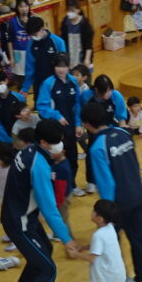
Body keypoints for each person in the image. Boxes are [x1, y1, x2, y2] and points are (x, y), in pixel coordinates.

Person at [0, 120, 80, 282]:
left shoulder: (27, 150)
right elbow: (50, 208)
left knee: (45, 250)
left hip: (23, 216)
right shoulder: (40, 166)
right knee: (48, 268)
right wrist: (67, 238)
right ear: (43, 142)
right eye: (56, 142)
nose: (60, 145)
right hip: (20, 223)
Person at [83, 102, 142, 282]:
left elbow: (106, 182)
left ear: (87, 124)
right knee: (138, 240)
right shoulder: (124, 133)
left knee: (112, 243)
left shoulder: (97, 147)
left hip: (117, 205)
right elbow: (134, 164)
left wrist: (106, 212)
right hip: (136, 195)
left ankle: (121, 280)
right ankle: (141, 280)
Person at [67, 200, 127, 282]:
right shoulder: (109, 227)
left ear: (99, 219)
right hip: (113, 272)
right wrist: (83, 247)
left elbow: (92, 258)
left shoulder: (99, 235)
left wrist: (76, 255)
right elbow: (98, 247)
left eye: (94, 211)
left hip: (110, 275)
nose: (92, 212)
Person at [36, 53, 81, 194]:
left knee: (72, 158)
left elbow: (77, 104)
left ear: (68, 67)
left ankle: (72, 185)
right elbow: (41, 107)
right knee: (56, 161)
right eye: (58, 66)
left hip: (71, 128)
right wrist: (57, 116)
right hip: (55, 130)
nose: (61, 69)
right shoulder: (48, 83)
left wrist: (78, 124)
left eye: (64, 66)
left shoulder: (73, 81)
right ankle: (56, 188)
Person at [79, 74, 129, 195]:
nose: (109, 94)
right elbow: (81, 111)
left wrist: (123, 134)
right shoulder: (86, 96)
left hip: (110, 127)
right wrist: (81, 125)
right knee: (92, 153)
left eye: (110, 90)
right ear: (96, 90)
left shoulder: (116, 96)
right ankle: (91, 181)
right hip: (94, 129)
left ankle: (115, 177)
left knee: (113, 153)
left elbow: (121, 117)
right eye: (106, 91)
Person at [22, 15, 67, 100]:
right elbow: (29, 68)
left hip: (56, 83)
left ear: (42, 29)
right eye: (31, 35)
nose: (33, 36)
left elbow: (64, 65)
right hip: (39, 84)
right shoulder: (30, 44)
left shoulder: (58, 42)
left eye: (35, 34)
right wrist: (25, 88)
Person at [0, 70, 26, 145]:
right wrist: (7, 140)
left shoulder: (18, 97)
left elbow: (25, 117)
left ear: (6, 80)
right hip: (4, 139)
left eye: (0, 83)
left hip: (21, 136)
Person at [0, 142, 18, 251]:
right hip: (3, 199)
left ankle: (17, 240)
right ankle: (11, 235)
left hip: (12, 201)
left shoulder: (12, 170)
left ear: (5, 157)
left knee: (13, 221)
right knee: (6, 220)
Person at [5, 0, 33, 85]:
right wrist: (11, 57)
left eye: (26, 6)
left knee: (32, 75)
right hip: (18, 54)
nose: (24, 9)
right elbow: (9, 41)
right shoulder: (12, 22)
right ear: (17, 8)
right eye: (21, 6)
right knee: (20, 79)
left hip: (31, 52)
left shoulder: (33, 20)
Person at [60, 0, 94, 69]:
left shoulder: (84, 23)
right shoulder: (65, 22)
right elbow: (63, 40)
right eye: (68, 10)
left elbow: (88, 44)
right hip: (70, 56)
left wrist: (87, 59)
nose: (70, 13)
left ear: (78, 10)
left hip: (82, 56)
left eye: (72, 10)